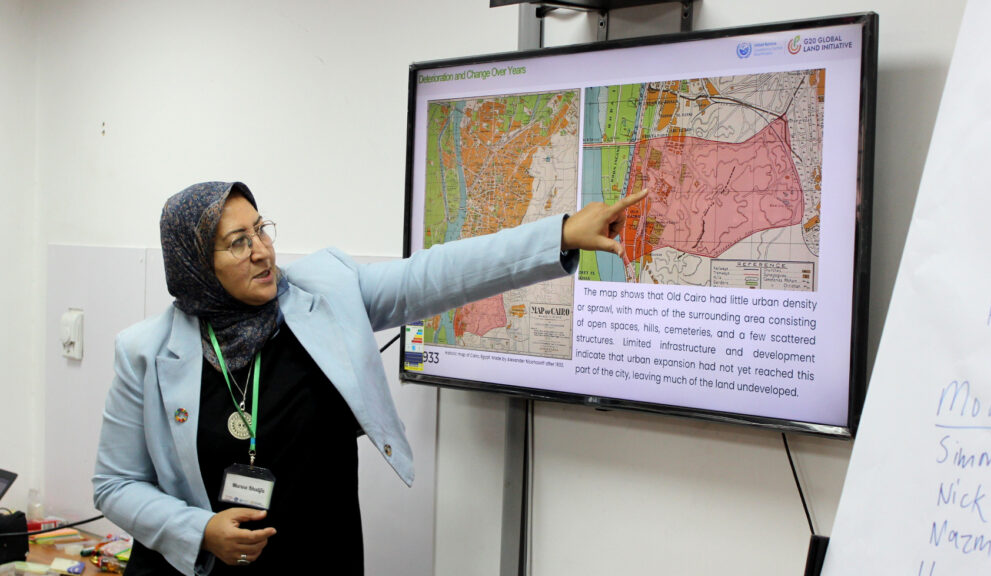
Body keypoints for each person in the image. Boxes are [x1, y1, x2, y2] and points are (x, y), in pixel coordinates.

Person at [93, 181, 646, 575]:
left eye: (261, 229)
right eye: (238, 242)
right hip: (198, 568)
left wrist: (563, 234)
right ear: (193, 263)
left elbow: (431, 276)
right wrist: (199, 531)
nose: (263, 251)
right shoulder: (146, 353)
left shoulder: (325, 294)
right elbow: (114, 485)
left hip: (318, 557)